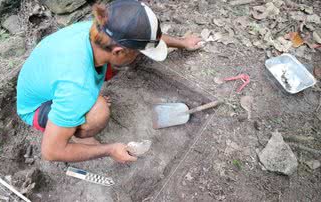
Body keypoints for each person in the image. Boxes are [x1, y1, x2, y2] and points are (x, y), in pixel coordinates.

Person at [16, 0, 202, 163]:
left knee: (108, 74)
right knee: (99, 111)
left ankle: (74, 118)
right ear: (119, 51)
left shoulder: (101, 30)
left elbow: (145, 39)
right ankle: (78, 135)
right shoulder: (77, 86)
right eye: (137, 52)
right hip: (37, 107)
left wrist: (182, 42)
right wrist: (109, 150)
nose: (138, 56)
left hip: (50, 82)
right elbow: (51, 152)